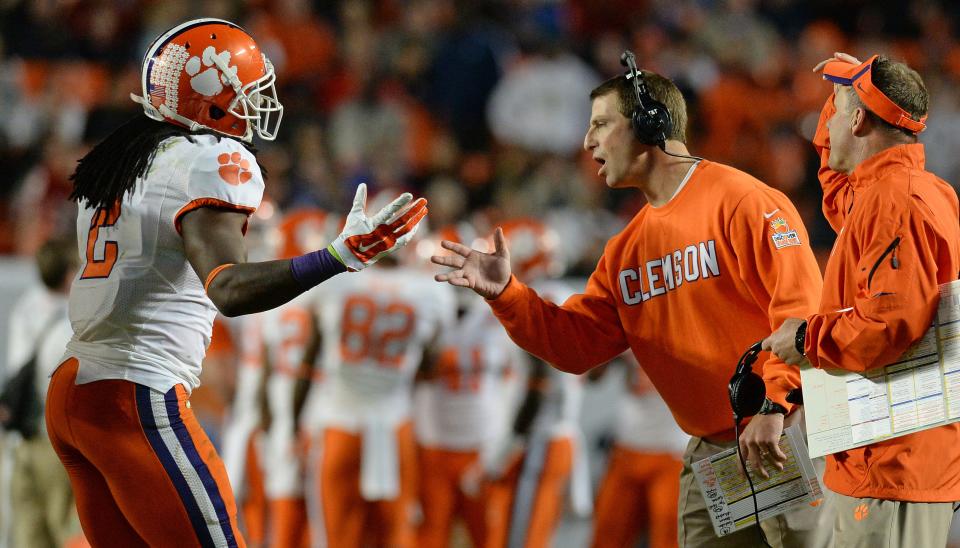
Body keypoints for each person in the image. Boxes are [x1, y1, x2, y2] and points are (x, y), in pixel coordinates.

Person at [45, 18, 427, 547]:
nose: (255, 104)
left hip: (74, 388)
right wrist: (338, 255)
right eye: (246, 92)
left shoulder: (123, 160)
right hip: (134, 395)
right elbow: (228, 288)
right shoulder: (208, 160)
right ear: (210, 98)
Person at [432, 55, 830, 547]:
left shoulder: (743, 200)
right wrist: (508, 295)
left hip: (783, 429)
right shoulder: (626, 249)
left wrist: (774, 403)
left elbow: (801, 311)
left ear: (650, 123)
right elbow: (575, 346)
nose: (587, 142)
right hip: (714, 448)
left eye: (600, 124)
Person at [762, 53, 960, 547]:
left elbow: (889, 323)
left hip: (893, 463)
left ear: (858, 119)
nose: (825, 119)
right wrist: (849, 86)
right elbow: (835, 183)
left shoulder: (895, 201)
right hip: (880, 456)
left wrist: (807, 339)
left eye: (835, 107)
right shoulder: (890, 191)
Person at [299, 250, 455, 548]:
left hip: (338, 424)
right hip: (393, 426)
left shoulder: (337, 282)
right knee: (394, 533)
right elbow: (429, 365)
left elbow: (309, 359)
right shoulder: (429, 291)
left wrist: (294, 425)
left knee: (335, 536)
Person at [5, 237, 85, 548]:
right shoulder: (73, 318)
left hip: (20, 439)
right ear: (68, 274)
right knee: (67, 532)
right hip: (54, 441)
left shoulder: (25, 308)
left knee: (27, 534)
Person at [590, 354, 688, 548]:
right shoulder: (629, 329)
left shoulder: (686, 335)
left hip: (672, 449)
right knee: (608, 532)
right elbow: (591, 374)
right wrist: (612, 351)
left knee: (668, 535)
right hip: (627, 446)